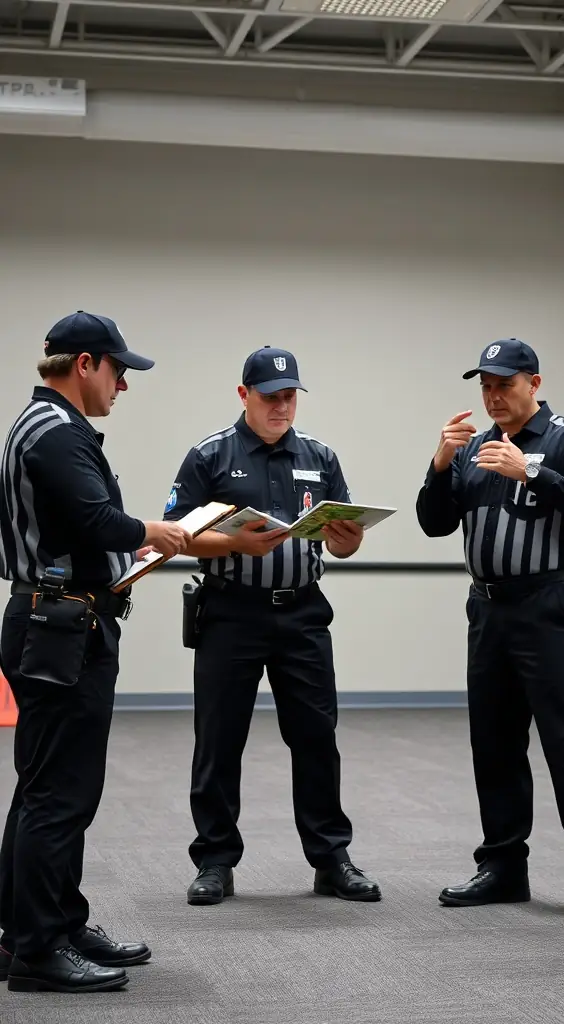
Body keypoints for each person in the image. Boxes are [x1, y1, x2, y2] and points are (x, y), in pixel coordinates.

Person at [0, 311, 190, 994]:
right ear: (84, 364)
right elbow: (95, 520)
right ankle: (40, 949)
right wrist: (157, 531)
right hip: (61, 626)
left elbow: (82, 527)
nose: (123, 385)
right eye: (119, 371)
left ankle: (33, 926)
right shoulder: (55, 433)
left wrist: (130, 543)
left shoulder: (44, 424)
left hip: (54, 617)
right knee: (60, 793)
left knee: (45, 788)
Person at [164, 346, 381, 906]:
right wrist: (233, 541)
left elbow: (348, 538)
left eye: (290, 397)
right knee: (219, 739)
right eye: (270, 397)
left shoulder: (320, 455)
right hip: (231, 612)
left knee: (315, 737)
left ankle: (331, 858)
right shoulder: (210, 455)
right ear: (244, 395)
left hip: (303, 612)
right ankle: (214, 860)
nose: (282, 407)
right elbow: (175, 535)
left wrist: (348, 538)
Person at [416, 338, 564, 919]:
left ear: (534, 382)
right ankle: (503, 867)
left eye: (503, 384)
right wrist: (437, 464)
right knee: (495, 743)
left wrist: (530, 470)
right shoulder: (474, 447)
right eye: (484, 386)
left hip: (547, 604)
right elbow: (434, 523)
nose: (492, 396)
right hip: (487, 610)